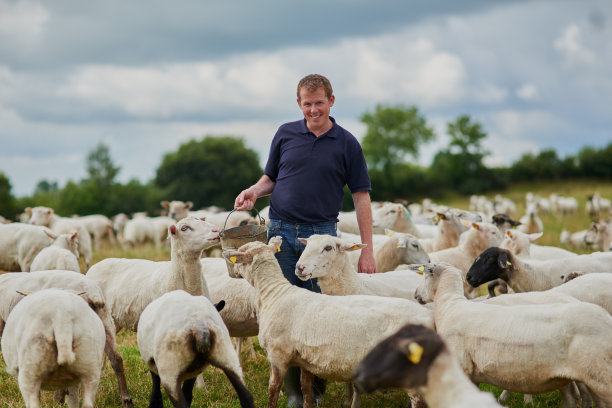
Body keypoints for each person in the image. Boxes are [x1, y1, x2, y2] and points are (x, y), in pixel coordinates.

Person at [234, 73, 376, 407]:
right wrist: (254, 191)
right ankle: (295, 393)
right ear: (299, 103)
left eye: (319, 103)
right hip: (279, 232)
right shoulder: (285, 134)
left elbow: (361, 197)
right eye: (307, 103)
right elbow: (271, 177)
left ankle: (319, 391)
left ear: (331, 101)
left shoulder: (347, 143)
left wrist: (366, 252)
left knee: (321, 313)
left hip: (321, 237)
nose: (313, 110)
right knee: (283, 312)